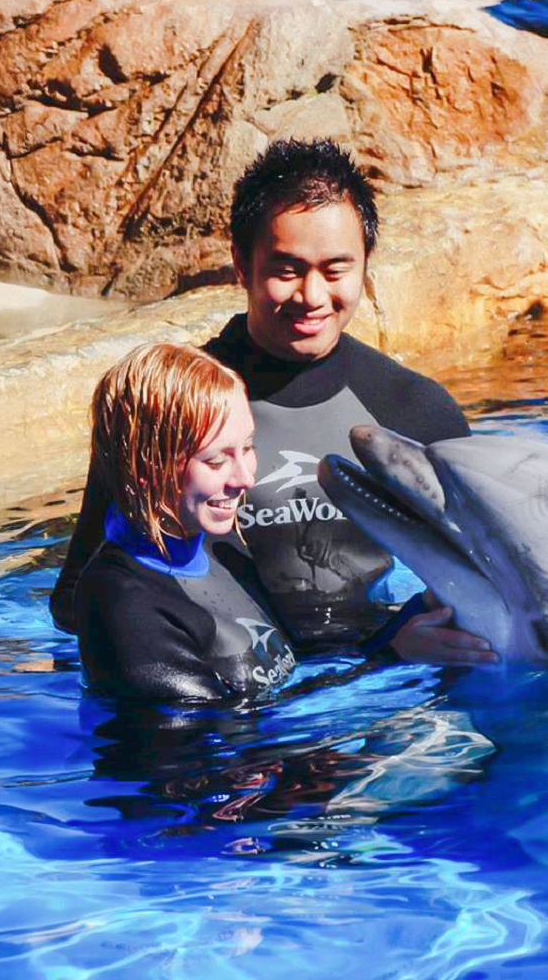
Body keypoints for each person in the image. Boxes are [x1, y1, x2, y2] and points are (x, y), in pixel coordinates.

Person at [53, 138, 497, 668]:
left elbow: (488, 576)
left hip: (375, 686)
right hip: (228, 687)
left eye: (336, 270)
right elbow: (79, 597)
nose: (312, 296)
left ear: (366, 266)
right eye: (287, 270)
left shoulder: (413, 410)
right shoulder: (173, 411)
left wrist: (386, 650)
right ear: (241, 263)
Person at [73, 342, 297, 701]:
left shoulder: (219, 543)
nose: (245, 479)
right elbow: (203, 739)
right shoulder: (127, 607)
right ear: (147, 468)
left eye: (248, 448)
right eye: (215, 461)